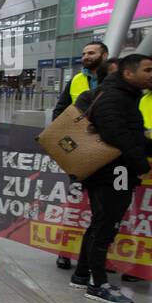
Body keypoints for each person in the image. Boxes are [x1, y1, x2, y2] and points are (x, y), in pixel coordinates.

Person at [70, 54, 152, 303]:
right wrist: (142, 164)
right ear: (128, 73)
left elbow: (127, 134)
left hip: (111, 170)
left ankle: (84, 274)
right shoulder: (116, 97)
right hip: (113, 172)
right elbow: (116, 135)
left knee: (100, 223)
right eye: (147, 70)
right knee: (106, 227)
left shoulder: (122, 95)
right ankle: (97, 283)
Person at [50, 41, 110, 270]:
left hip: (105, 150)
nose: (85, 56)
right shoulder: (76, 79)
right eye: (84, 52)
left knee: (102, 208)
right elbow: (61, 109)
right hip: (79, 150)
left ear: (104, 55)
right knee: (75, 204)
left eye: (91, 52)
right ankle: (65, 252)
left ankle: (97, 256)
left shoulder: (111, 81)